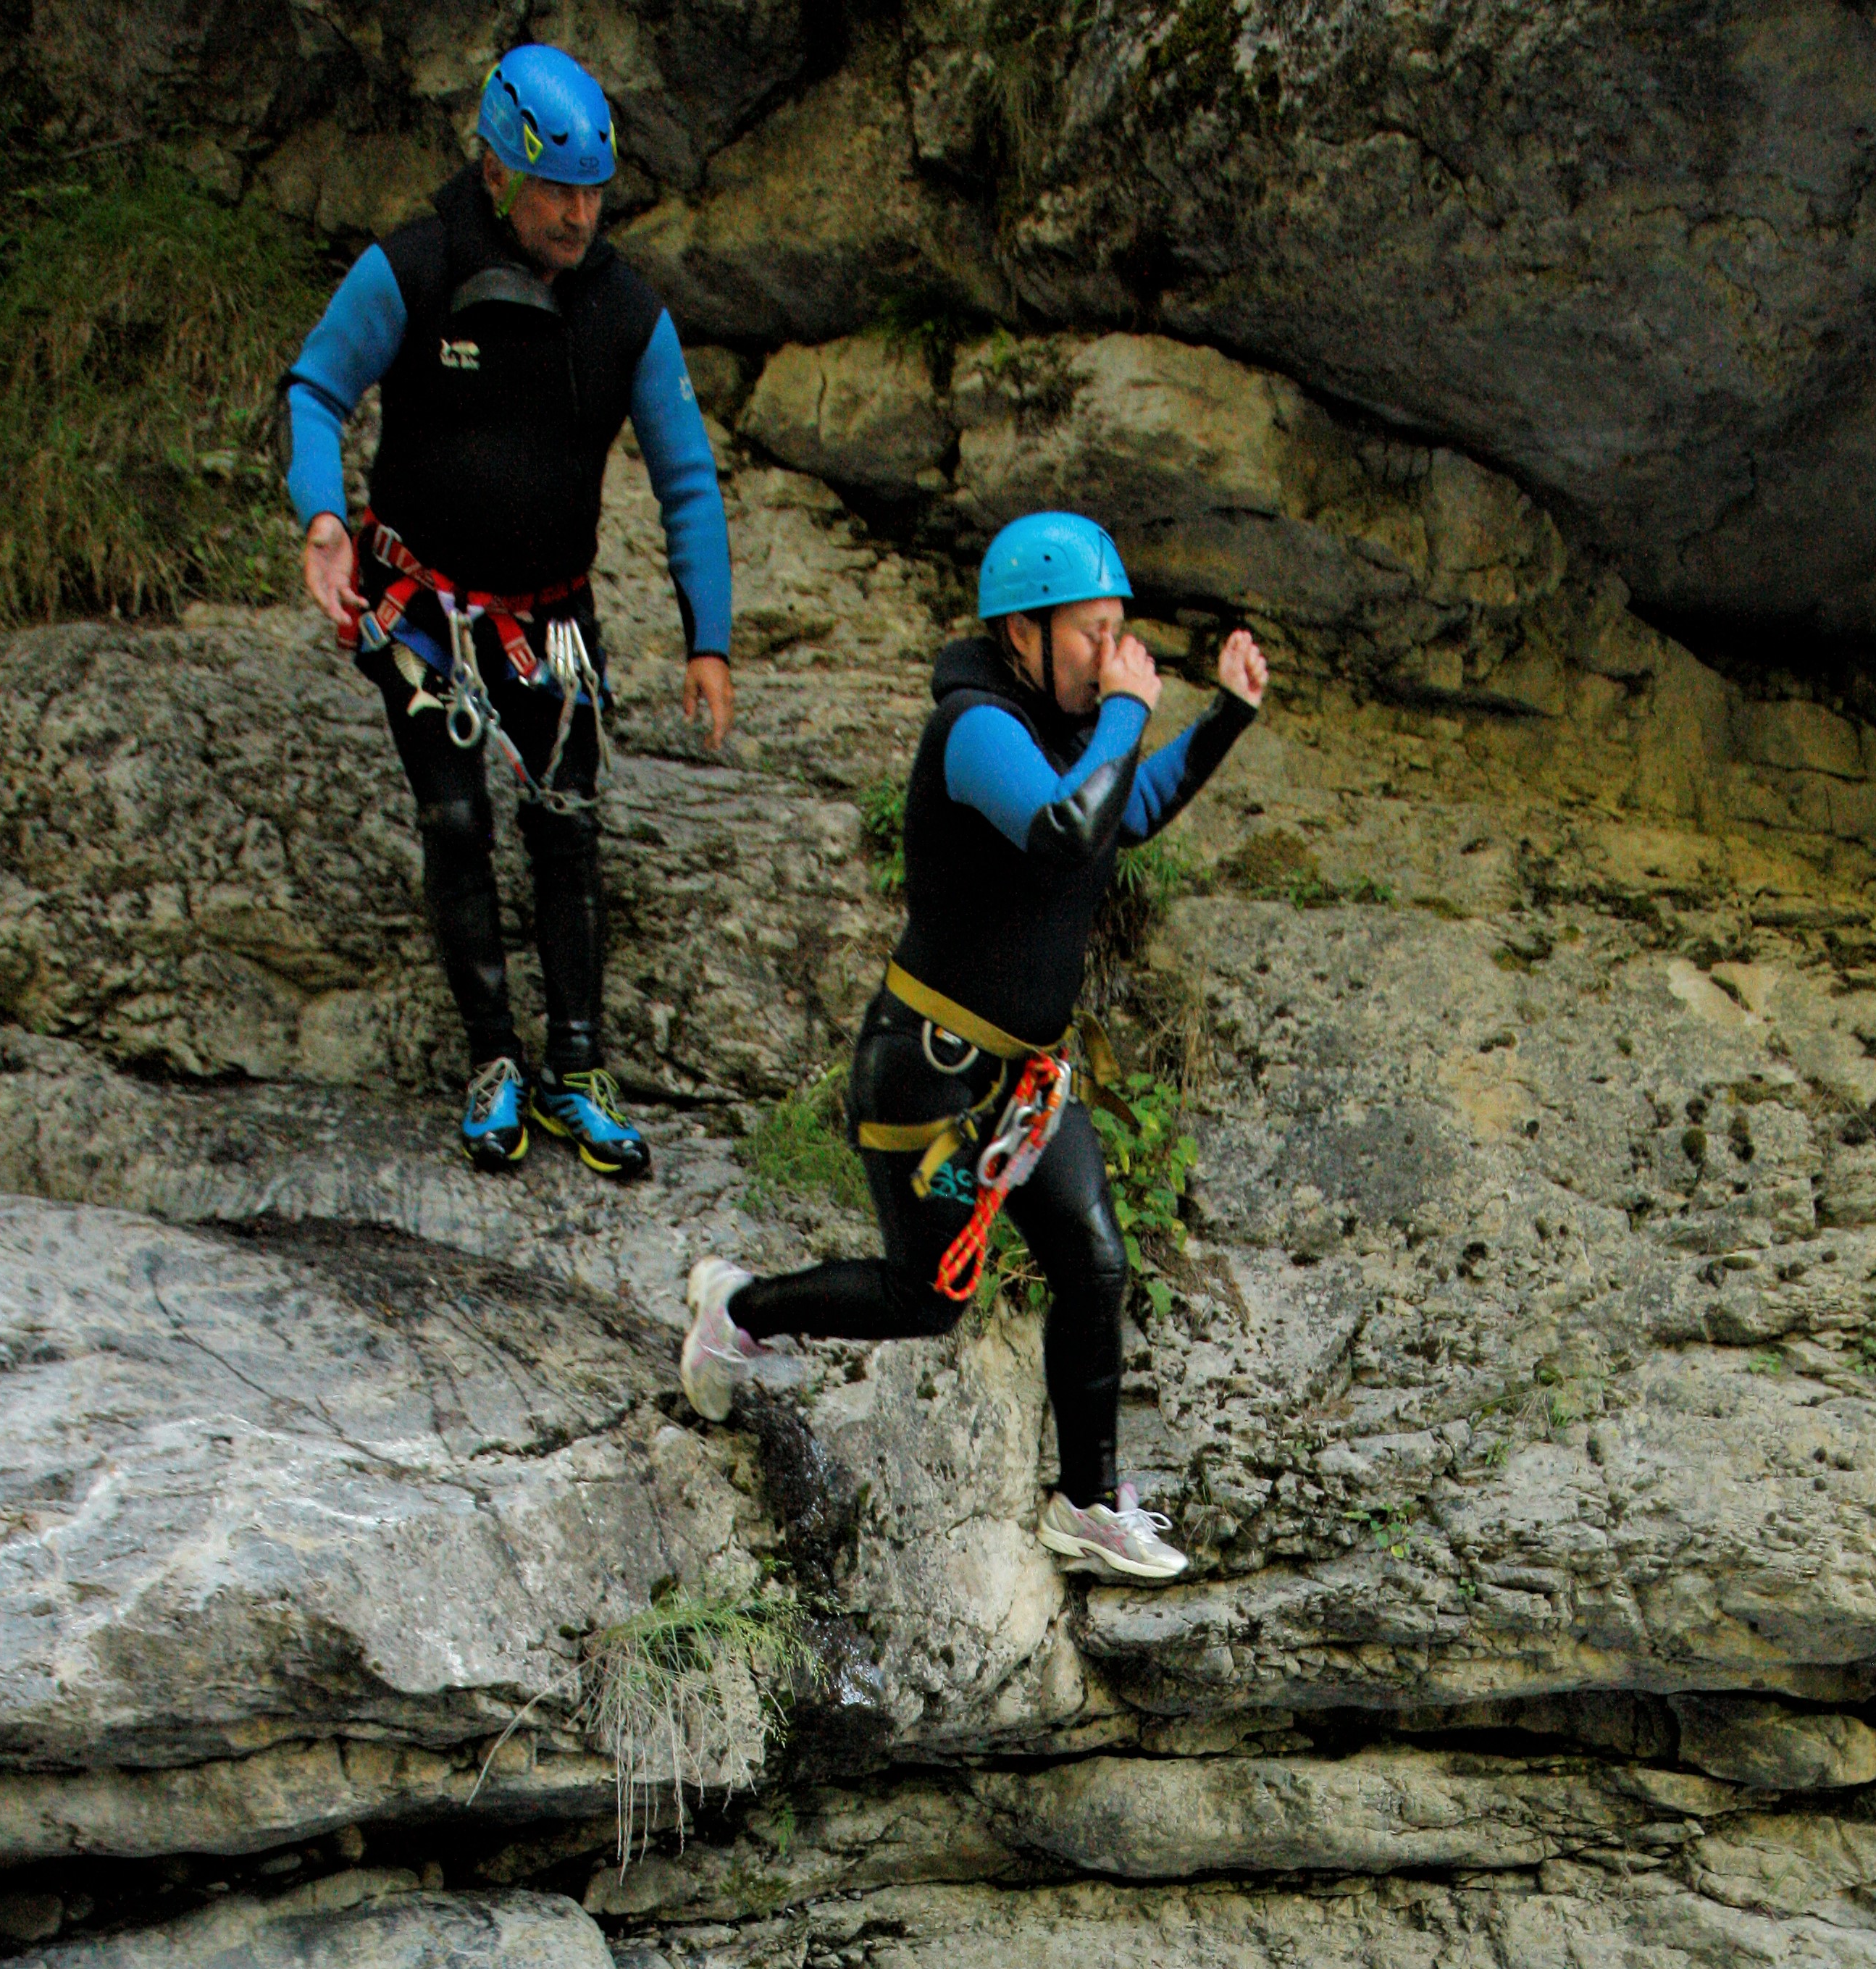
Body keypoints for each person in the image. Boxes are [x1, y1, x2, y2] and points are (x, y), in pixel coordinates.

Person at [680, 513, 1266, 1584]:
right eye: (1091, 633)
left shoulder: (1064, 731)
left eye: (1118, 630)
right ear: (1022, 633)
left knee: (1093, 1262)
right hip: (929, 1071)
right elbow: (1062, 831)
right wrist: (1130, 711)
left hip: (1027, 1082)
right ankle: (740, 1309)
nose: (1112, 653)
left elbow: (1123, 813)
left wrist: (1224, 716)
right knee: (929, 1298)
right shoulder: (976, 728)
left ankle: (1087, 1503)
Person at [281, 42, 734, 1178]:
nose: (580, 217)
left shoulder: (626, 312)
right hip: (422, 607)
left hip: (555, 614)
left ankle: (577, 1064)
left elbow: (686, 479)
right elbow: (317, 387)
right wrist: (323, 519)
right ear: (496, 171)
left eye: (594, 193)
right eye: (557, 191)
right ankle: (492, 1058)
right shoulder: (416, 266)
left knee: (567, 819)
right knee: (456, 818)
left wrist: (710, 639)